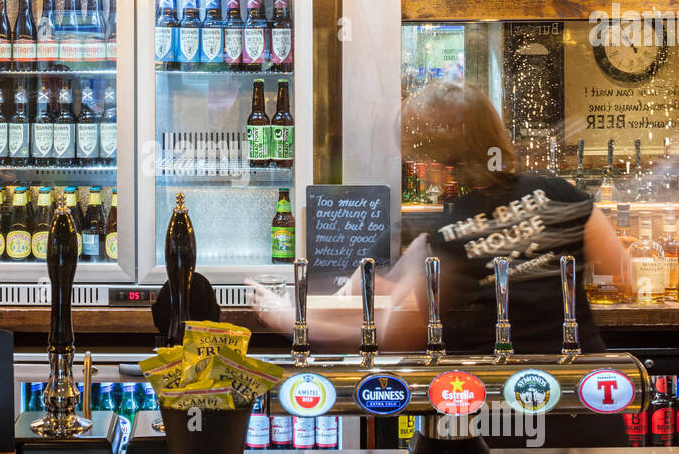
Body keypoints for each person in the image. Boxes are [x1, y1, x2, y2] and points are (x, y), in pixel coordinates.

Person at [249, 80, 627, 354]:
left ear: (430, 164)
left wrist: (288, 318)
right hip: (582, 399)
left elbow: (394, 336)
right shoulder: (561, 193)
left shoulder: (444, 237)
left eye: (414, 158)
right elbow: (623, 274)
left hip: (496, 416)